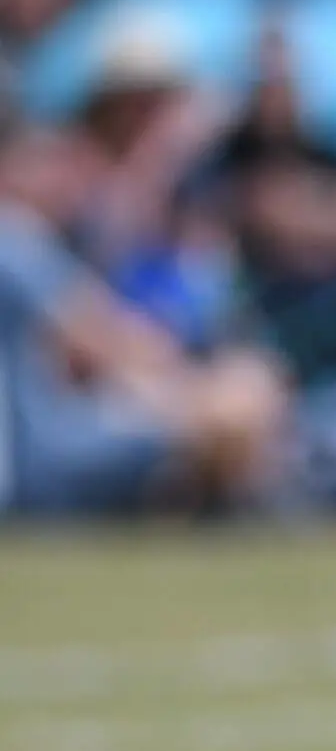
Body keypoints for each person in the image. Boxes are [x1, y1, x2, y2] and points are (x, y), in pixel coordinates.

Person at [0, 114, 286, 518]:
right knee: (234, 400)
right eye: (44, 162)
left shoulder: (51, 238)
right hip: (40, 463)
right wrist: (201, 393)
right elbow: (106, 341)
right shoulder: (12, 235)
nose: (60, 178)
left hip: (43, 446)